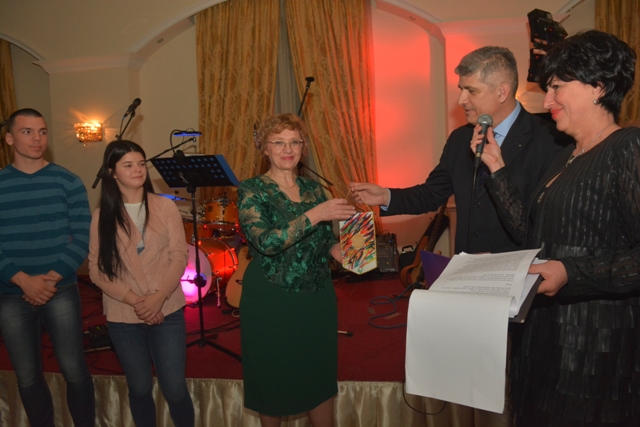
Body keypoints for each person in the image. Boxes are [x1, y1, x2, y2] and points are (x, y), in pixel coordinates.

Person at [472, 30, 639, 426]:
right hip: (546, 338)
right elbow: (531, 236)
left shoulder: (628, 148)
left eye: (557, 87)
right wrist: (496, 167)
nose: (547, 102)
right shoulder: (567, 156)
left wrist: (571, 272)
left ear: (598, 87)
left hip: (596, 349)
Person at [350, 46, 569, 254]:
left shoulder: (551, 141)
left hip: (518, 272)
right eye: (461, 89)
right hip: (465, 269)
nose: (461, 100)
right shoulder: (460, 139)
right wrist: (386, 196)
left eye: (471, 91)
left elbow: (545, 224)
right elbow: (431, 194)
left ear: (502, 92)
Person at [237, 113, 355, 427]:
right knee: (272, 376)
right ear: (264, 148)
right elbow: (267, 242)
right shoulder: (251, 190)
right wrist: (317, 214)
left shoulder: (314, 189)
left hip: (316, 296)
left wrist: (339, 251)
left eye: (294, 142)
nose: (288, 149)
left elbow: (324, 239)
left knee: (319, 372)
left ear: (303, 147)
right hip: (271, 298)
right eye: (279, 142)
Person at [88, 140, 194, 427]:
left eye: (141, 163)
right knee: (139, 387)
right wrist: (139, 302)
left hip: (167, 309)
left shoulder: (165, 206)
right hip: (124, 313)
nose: (138, 170)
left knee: (175, 388)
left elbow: (179, 255)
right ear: (112, 172)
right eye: (128, 165)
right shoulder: (101, 216)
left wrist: (158, 297)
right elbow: (97, 271)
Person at [0, 108, 95, 427]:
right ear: (9, 138)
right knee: (27, 376)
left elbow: (83, 235)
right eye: (27, 132)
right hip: (11, 293)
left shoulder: (68, 180)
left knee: (75, 370)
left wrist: (51, 278)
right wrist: (22, 280)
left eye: (42, 131)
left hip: (61, 289)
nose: (37, 138)